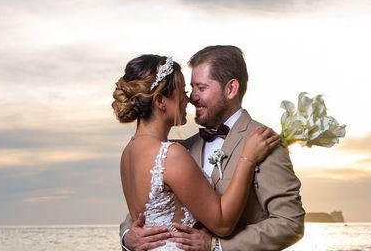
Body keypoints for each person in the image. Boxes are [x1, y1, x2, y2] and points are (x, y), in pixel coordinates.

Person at [121, 45, 305, 251]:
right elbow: (147, 211)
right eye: (189, 89)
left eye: (201, 88)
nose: (191, 98)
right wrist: (129, 237)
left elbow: (290, 223)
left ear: (231, 89)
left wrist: (217, 246)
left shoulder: (264, 141)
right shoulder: (177, 149)